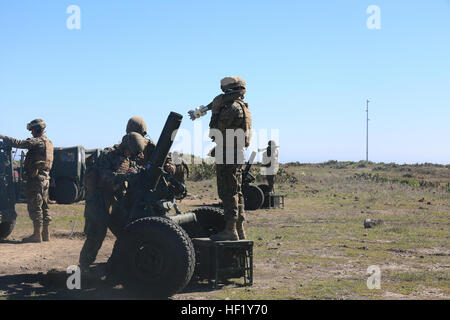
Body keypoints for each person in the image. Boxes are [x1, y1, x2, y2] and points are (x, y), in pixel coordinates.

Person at [79, 132, 146, 271]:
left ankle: (118, 264)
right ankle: (83, 267)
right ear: (125, 145)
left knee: (125, 233)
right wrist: (125, 176)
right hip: (99, 199)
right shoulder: (108, 155)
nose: (130, 154)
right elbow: (104, 176)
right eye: (129, 151)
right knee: (96, 235)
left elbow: (135, 169)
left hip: (116, 201)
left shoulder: (129, 157)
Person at [208, 76, 252, 241]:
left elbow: (214, 131)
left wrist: (215, 111)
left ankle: (230, 230)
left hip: (228, 154)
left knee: (228, 192)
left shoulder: (232, 108)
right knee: (237, 191)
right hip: (236, 153)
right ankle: (239, 229)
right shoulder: (244, 107)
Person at [0, 119, 54, 243]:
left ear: (36, 130)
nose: (31, 133)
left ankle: (36, 235)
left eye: (32, 131)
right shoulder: (49, 143)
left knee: (35, 206)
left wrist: (2, 137)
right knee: (45, 206)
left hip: (36, 179)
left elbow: (19, 143)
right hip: (46, 178)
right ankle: (45, 234)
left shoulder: (37, 142)